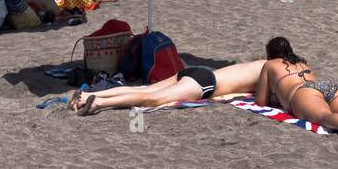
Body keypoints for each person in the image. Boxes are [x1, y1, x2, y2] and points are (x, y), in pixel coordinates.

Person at [71, 58, 269, 115]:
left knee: (144, 89)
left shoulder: (258, 63)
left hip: (196, 71)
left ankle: (88, 93)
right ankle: (98, 103)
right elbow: (262, 98)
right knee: (152, 100)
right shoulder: (269, 71)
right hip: (204, 83)